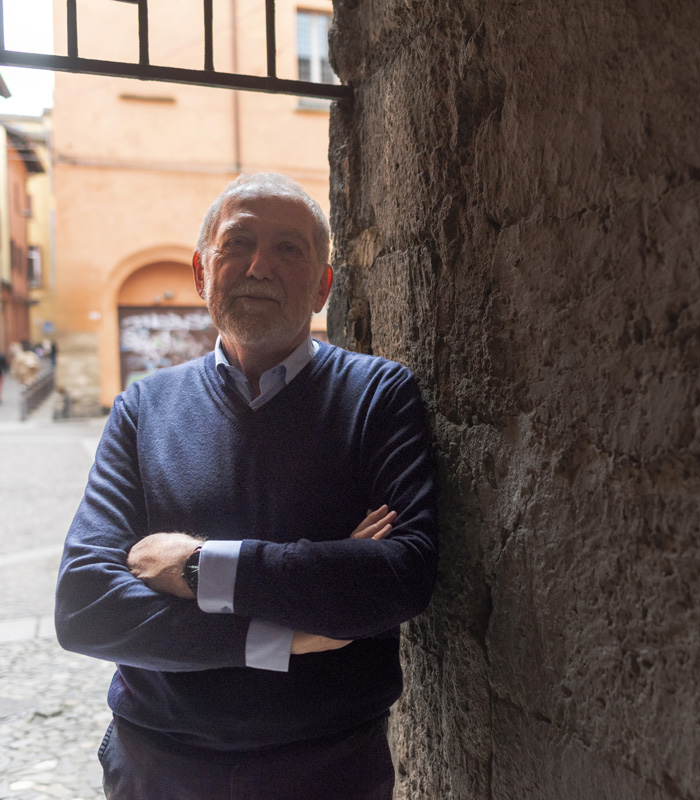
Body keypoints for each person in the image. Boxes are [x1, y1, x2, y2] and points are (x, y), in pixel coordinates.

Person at [55, 173, 438, 800]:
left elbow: (400, 576)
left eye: (289, 248)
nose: (259, 265)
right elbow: (85, 606)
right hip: (158, 766)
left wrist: (197, 566)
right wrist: (289, 632)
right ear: (204, 273)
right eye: (238, 243)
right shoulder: (142, 409)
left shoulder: (378, 396)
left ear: (322, 286)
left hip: (328, 768)